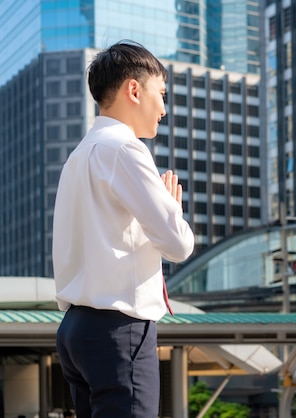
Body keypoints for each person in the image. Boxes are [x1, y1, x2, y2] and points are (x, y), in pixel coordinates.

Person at [53, 40, 194, 417]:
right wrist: (171, 209)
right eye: (160, 94)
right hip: (119, 329)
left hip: (75, 329)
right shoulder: (126, 150)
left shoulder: (78, 156)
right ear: (134, 89)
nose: (163, 109)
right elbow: (178, 244)